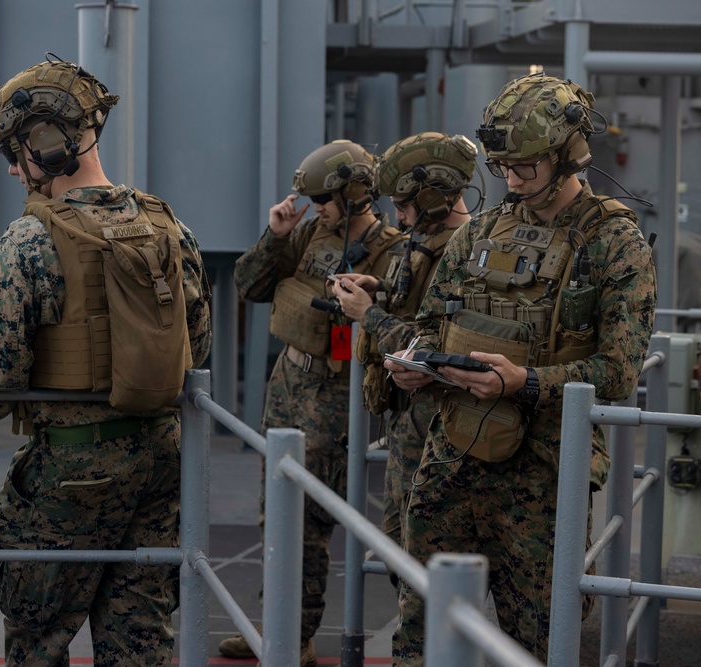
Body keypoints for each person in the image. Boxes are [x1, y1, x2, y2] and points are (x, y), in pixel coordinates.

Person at [384, 72, 657, 663]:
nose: (510, 179)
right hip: (451, 457)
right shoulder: (481, 230)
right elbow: (432, 321)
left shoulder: (614, 242)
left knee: (533, 640)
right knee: (421, 628)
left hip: (544, 472)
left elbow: (618, 371)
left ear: (566, 156)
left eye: (525, 168)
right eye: (502, 167)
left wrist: (527, 382)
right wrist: (416, 362)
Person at [0, 57, 212, 666]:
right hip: (161, 461)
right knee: (141, 639)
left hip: (73, 468)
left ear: (40, 146)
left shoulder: (30, 238)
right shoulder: (166, 224)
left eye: (11, 155)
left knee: (39, 637)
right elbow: (196, 347)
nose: (14, 170)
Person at [223, 139, 407, 665]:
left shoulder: (391, 250)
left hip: (335, 389)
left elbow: (392, 322)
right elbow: (251, 285)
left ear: (353, 196)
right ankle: (278, 625)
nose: (318, 208)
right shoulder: (309, 232)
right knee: (274, 509)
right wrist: (275, 236)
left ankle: (294, 637)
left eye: (325, 199)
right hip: (288, 382)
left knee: (307, 515)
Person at [329, 132, 479, 555]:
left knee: (420, 549)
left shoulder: (465, 253)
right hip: (408, 420)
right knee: (399, 543)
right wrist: (376, 288)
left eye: (404, 205)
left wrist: (367, 314)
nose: (397, 217)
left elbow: (435, 346)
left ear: (433, 199)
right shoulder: (427, 242)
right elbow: (416, 304)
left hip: (436, 420)